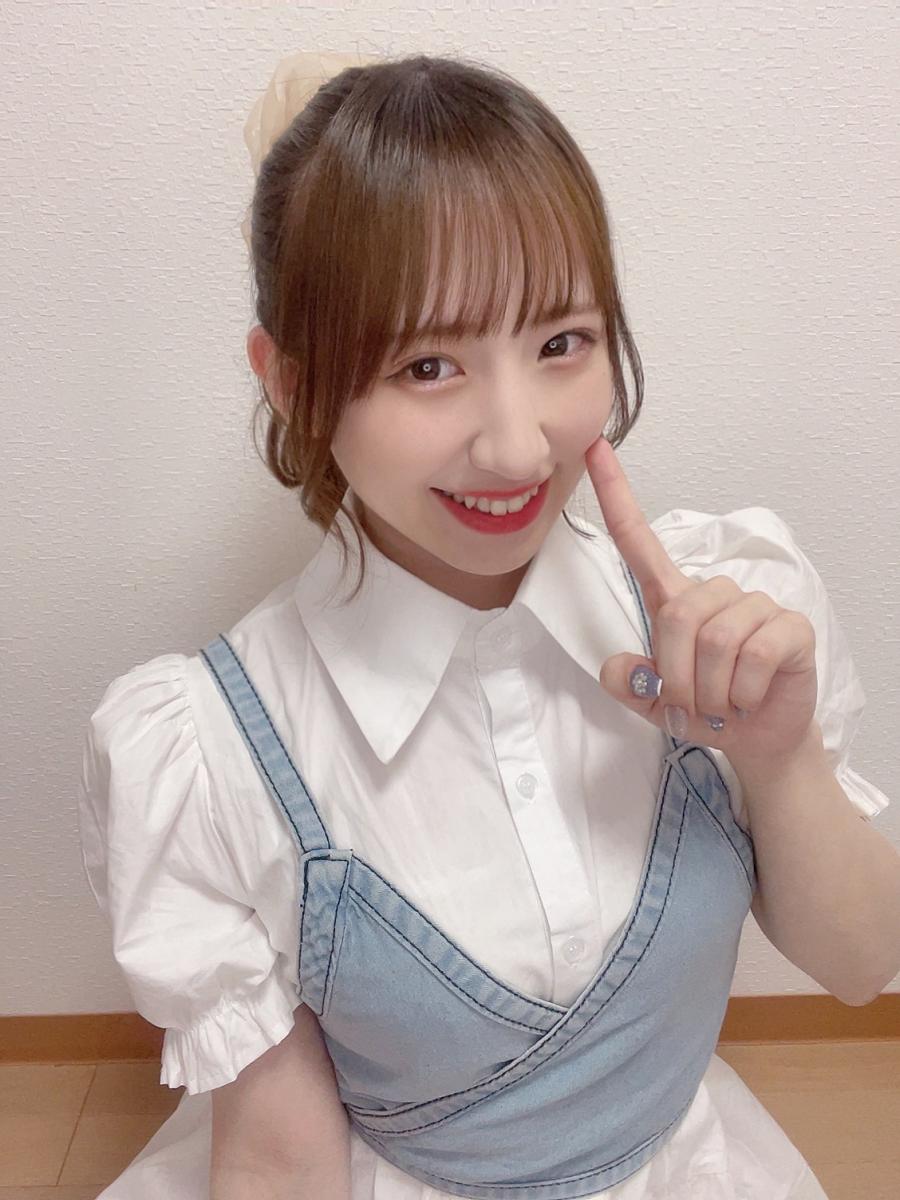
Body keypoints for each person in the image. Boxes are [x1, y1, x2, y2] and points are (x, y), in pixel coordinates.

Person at [77, 50, 895, 1200]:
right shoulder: (215, 753)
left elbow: (863, 968)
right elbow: (278, 1156)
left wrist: (779, 758)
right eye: (428, 364)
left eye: (561, 344)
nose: (518, 447)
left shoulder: (725, 606)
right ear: (293, 384)